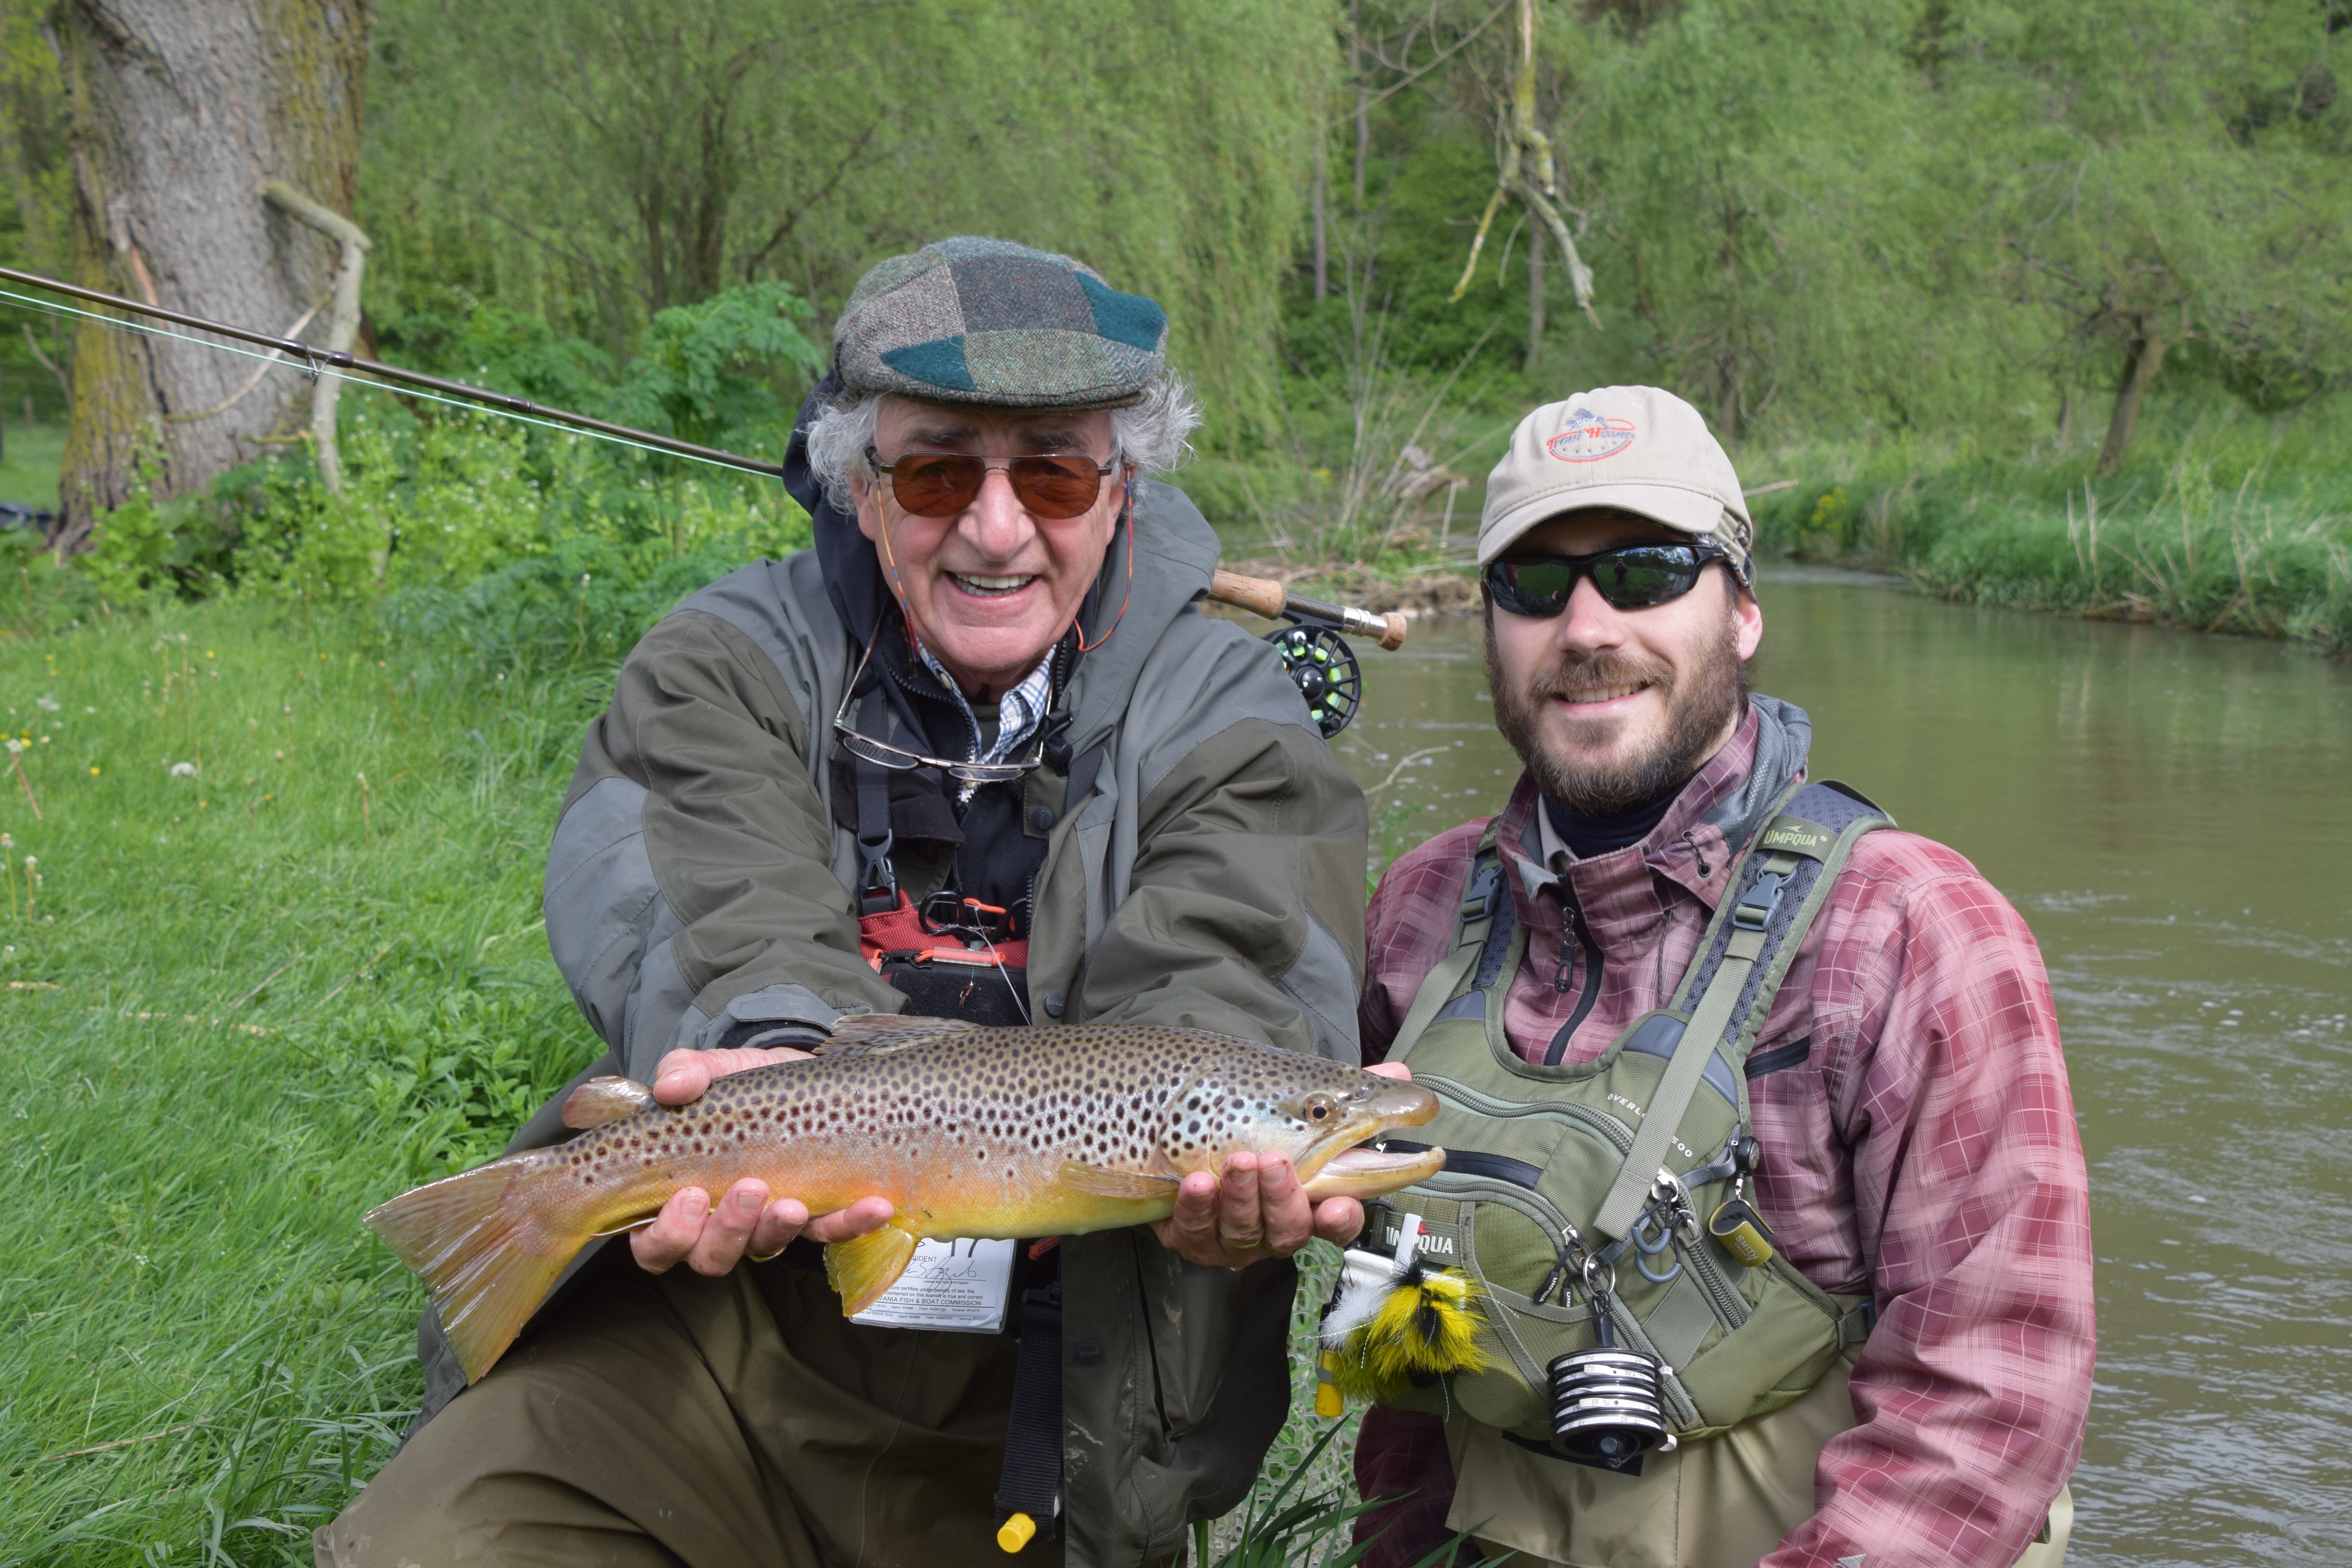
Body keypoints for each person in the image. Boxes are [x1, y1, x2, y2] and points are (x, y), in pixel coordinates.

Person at [317, 237, 1378, 1568]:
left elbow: (1235, 976)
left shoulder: (1231, 712)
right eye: (938, 470)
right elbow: (702, 913)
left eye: (1051, 470)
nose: (997, 530)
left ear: (1124, 489)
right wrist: (771, 1058)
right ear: (858, 483)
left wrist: (1226, 1155)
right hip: (710, 1351)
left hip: (1066, 1391)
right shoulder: (724, 667)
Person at [1348, 387, 2094, 1568]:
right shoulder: (1419, 910)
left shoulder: (1917, 928)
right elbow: (1401, 1360)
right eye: (1535, 586)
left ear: (1742, 612)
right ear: (1490, 625)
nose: (1588, 628)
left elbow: (1989, 1397)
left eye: (1647, 572)